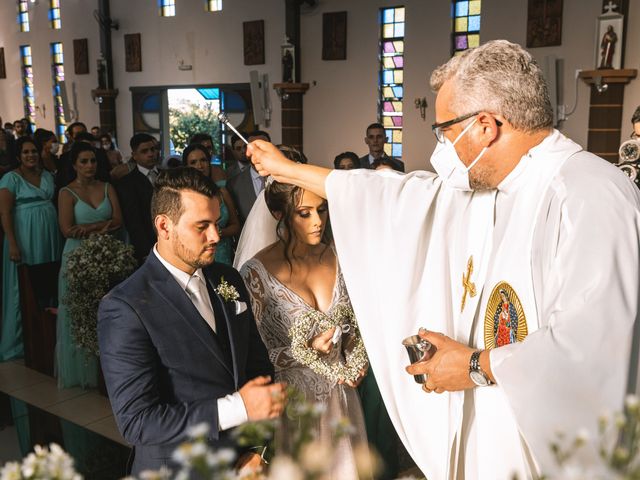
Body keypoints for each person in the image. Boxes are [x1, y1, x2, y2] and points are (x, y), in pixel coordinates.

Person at [246, 39, 640, 479]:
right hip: (493, 442)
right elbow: (397, 197)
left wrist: (472, 366)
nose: (441, 149)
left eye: (445, 131)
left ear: (486, 126)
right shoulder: (496, 186)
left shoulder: (587, 194)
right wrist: (288, 170)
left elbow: (593, 343)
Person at [98, 167, 284, 475]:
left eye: (216, 222)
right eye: (202, 226)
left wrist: (256, 450)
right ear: (164, 226)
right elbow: (137, 422)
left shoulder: (228, 279)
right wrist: (237, 409)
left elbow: (258, 369)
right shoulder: (125, 307)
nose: (216, 235)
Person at [238, 176, 368, 479]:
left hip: (343, 398)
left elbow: (356, 324)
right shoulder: (256, 273)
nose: (317, 221)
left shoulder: (340, 255)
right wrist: (305, 351)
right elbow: (250, 357)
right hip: (292, 406)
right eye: (304, 213)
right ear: (279, 214)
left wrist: (357, 359)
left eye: (321, 210)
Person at [57, 142, 122, 389]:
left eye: (93, 161)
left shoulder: (107, 187)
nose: (89, 166)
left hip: (107, 254)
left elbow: (118, 220)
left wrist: (90, 228)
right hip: (77, 258)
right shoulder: (66, 192)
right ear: (74, 164)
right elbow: (67, 230)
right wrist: (102, 225)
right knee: (80, 313)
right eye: (83, 161)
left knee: (104, 312)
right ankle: (82, 372)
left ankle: (109, 372)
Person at [0, 137, 63, 361]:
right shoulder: (10, 178)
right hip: (24, 236)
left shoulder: (47, 175)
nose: (30, 155)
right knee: (25, 283)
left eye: (34, 151)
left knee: (47, 280)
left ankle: (46, 333)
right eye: (25, 152)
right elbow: (5, 213)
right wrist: (13, 243)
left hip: (49, 235)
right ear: (18, 156)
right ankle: (20, 339)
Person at [182, 144, 240, 265]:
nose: (199, 166)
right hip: (195, 254)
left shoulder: (222, 192)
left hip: (222, 254)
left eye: (203, 160)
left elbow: (235, 226)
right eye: (193, 162)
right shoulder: (183, 196)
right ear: (186, 167)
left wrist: (218, 232)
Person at [115, 133, 159, 263]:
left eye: (153, 149)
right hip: (147, 246)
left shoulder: (165, 175)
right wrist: (145, 250)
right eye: (144, 151)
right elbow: (134, 221)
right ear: (134, 155)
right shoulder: (127, 183)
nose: (151, 154)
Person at [227, 131, 271, 222]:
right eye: (253, 149)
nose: (258, 153)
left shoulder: (282, 178)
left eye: (261, 148)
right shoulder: (234, 184)